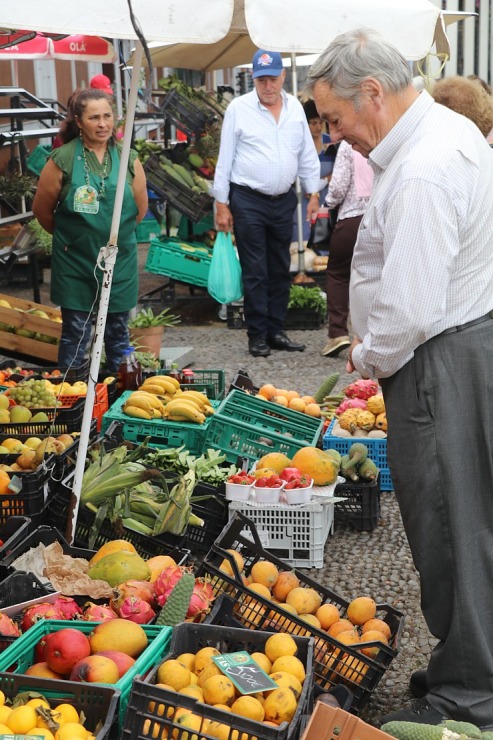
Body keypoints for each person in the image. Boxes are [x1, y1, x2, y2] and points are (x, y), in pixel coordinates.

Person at [306, 28, 493, 729]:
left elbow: (409, 308)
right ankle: (466, 663)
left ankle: (471, 688)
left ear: (373, 94)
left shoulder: (419, 168)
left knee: (447, 521)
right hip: (462, 346)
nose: (336, 134)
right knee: (468, 518)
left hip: (437, 360)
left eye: (334, 117)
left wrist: (364, 357)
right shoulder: (445, 133)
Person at [213, 50, 321, 357]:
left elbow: (305, 155)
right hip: (247, 198)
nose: (267, 86)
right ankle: (257, 334)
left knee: (279, 266)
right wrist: (222, 204)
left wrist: (313, 193)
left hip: (283, 199)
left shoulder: (296, 109)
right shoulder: (239, 108)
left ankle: (276, 330)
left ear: (283, 77)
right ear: (253, 79)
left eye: (272, 79)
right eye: (261, 80)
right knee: (256, 269)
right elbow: (225, 157)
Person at [32, 88, 148, 373]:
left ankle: (113, 400)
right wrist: (74, 238)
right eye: (94, 117)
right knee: (76, 334)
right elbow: (42, 212)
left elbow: (139, 212)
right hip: (75, 261)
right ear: (79, 121)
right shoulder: (61, 159)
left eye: (107, 116)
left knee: (118, 335)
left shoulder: (128, 158)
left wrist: (115, 237)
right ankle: (75, 399)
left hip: (118, 262)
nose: (102, 124)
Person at [320, 139, 373, 358]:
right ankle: (373, 334)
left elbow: (339, 188)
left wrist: (327, 203)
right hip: (380, 216)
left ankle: (337, 333)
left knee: (338, 274)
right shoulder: (384, 137)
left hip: (352, 218)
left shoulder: (348, 145)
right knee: (374, 275)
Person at [292, 99, 338, 243]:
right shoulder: (297, 144)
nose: (318, 127)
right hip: (301, 199)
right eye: (313, 123)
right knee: (301, 237)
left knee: (323, 238)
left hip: (324, 198)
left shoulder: (331, 144)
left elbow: (340, 169)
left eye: (320, 123)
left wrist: (323, 181)